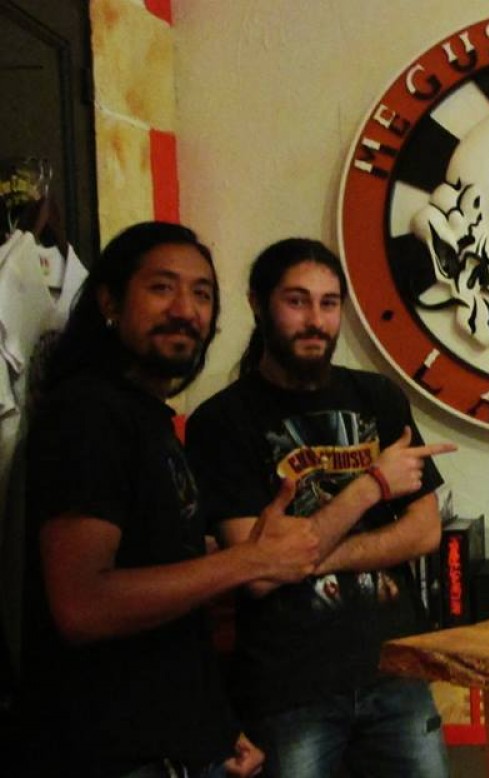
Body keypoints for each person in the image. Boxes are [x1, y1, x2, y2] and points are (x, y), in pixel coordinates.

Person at [19, 221, 322, 777]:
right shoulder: (88, 415)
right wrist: (248, 561)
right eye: (162, 288)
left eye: (201, 294)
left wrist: (213, 725)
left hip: (178, 745)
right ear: (110, 302)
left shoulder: (147, 418)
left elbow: (162, 583)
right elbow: (82, 604)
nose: (185, 310)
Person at [185, 238, 456, 778]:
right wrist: (371, 486)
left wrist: (301, 557)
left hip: (395, 672)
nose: (315, 320)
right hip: (289, 690)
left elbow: (424, 531)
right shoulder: (221, 422)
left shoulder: (378, 398)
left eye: (329, 303)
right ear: (258, 303)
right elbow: (255, 573)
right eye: (297, 301)